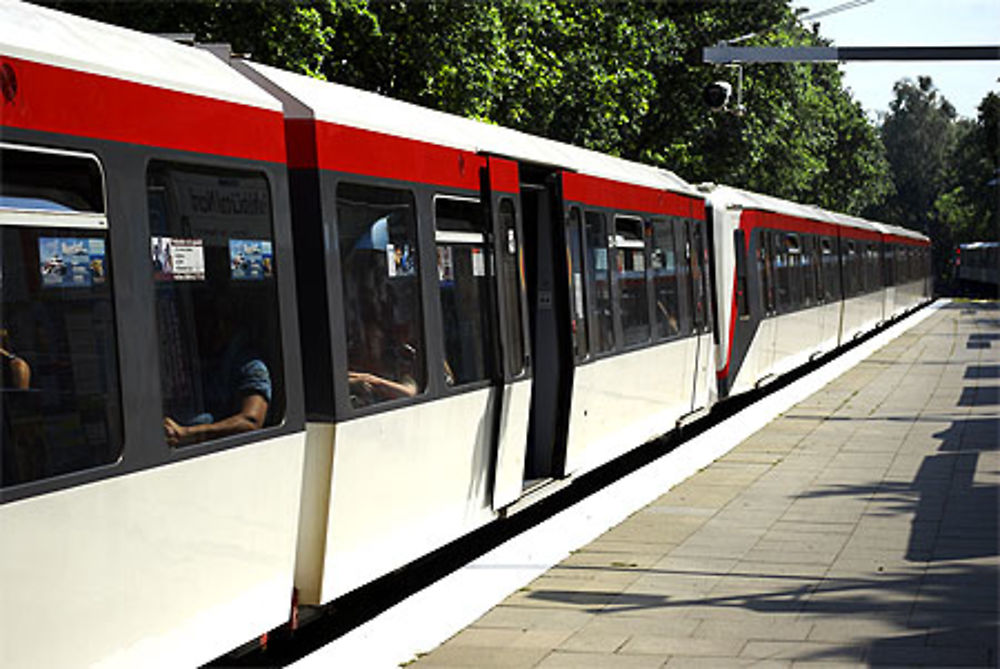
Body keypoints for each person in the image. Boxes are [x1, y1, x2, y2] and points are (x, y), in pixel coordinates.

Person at [162, 297, 271, 446]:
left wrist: (187, 433)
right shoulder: (201, 361)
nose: (205, 331)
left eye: (211, 323)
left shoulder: (251, 366)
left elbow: (251, 421)